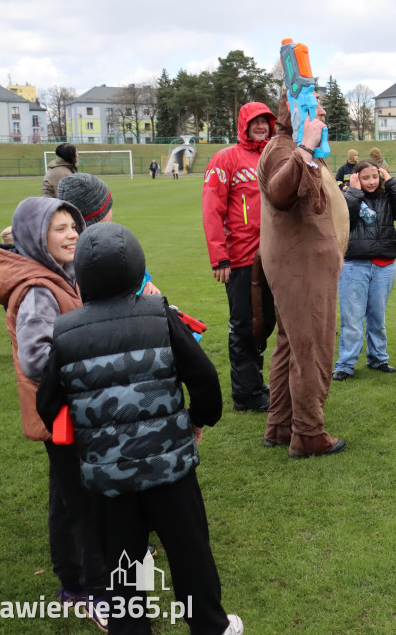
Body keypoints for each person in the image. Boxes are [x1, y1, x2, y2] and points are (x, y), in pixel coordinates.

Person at [36, 222, 244, 635]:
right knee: (190, 556)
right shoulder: (160, 315)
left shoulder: (65, 333)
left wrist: (89, 441)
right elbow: (204, 380)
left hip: (109, 480)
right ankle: (210, 625)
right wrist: (197, 421)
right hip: (171, 472)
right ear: (137, 269)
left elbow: (48, 405)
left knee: (122, 570)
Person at [0, 197, 108, 631]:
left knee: (66, 498)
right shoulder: (38, 288)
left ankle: (72, 583)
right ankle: (94, 592)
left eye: (73, 225)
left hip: (64, 415)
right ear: (38, 237)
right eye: (59, 228)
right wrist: (92, 356)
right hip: (62, 415)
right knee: (86, 504)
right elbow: (36, 357)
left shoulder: (58, 275)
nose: (72, 233)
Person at [256, 89, 348, 458]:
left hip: (306, 262)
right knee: (312, 346)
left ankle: (280, 425)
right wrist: (305, 148)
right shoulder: (284, 148)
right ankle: (308, 433)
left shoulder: (288, 145)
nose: (323, 112)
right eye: (315, 107)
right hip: (302, 266)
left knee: (290, 343)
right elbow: (279, 193)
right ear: (297, 113)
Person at [202, 102, 278, 412]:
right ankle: (246, 396)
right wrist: (219, 257)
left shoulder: (273, 157)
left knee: (267, 323)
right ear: (243, 125)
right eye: (255, 121)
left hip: (274, 256)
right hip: (243, 258)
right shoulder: (226, 159)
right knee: (245, 325)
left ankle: (254, 384)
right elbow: (212, 208)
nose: (261, 126)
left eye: (265, 121)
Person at [332, 160, 396, 381]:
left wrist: (391, 181)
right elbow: (343, 217)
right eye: (365, 177)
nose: (371, 182)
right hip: (354, 265)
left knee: (377, 317)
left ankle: (378, 358)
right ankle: (346, 364)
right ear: (356, 177)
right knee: (352, 318)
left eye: (374, 177)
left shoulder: (387, 197)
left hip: (384, 266)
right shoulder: (346, 196)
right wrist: (354, 191)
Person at [58, 172, 163, 298]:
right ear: (100, 213)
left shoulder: (63, 249)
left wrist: (146, 282)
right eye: (109, 207)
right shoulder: (99, 253)